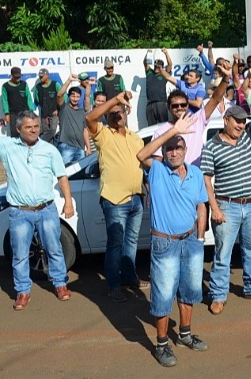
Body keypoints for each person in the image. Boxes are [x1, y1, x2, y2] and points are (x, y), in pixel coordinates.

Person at [136, 113, 209, 367]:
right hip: (165, 243)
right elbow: (141, 155)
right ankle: (161, 345)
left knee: (189, 290)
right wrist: (172, 131)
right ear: (164, 152)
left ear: (186, 150)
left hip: (191, 241)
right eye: (169, 149)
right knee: (163, 294)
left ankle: (185, 334)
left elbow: (201, 204)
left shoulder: (195, 173)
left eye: (178, 147)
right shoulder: (157, 171)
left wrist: (200, 236)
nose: (174, 152)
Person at [202, 99, 251, 315]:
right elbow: (206, 180)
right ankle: (218, 295)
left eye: (243, 122)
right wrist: (215, 208)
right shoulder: (211, 146)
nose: (241, 125)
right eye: (237, 121)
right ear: (226, 120)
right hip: (227, 206)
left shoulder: (247, 136)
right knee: (223, 253)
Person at [1, 111, 75, 310]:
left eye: (36, 126)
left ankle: (60, 284)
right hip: (20, 212)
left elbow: (62, 176)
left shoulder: (50, 150)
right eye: (28, 127)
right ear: (18, 129)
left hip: (46, 209)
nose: (33, 130)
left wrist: (68, 202)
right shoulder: (7, 147)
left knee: (54, 248)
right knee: (20, 254)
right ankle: (23, 291)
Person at [86, 91, 149, 302]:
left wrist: (146, 186)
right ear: (106, 116)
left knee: (131, 242)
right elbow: (89, 118)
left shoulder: (136, 138)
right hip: (114, 201)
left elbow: (140, 165)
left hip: (136, 198)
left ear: (126, 112)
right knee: (115, 245)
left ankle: (129, 278)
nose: (116, 115)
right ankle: (113, 286)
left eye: (119, 111)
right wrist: (115, 100)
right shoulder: (103, 134)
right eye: (111, 112)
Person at [55, 75, 91, 165]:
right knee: (65, 171)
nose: (75, 99)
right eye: (73, 96)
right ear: (68, 96)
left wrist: (88, 148)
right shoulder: (64, 108)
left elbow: (85, 130)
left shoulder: (82, 112)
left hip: (80, 148)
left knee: (80, 173)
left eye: (78, 97)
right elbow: (59, 95)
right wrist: (69, 80)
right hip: (66, 146)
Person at [144, 48, 173, 126]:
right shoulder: (149, 73)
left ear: (162, 67)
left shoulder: (164, 74)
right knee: (150, 127)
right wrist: (148, 54)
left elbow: (170, 64)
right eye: (156, 65)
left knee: (163, 126)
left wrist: (166, 53)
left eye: (159, 65)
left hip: (161, 103)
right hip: (150, 104)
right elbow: (145, 63)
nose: (157, 66)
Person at [3, 67, 34, 138]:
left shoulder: (24, 84)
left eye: (19, 76)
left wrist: (31, 110)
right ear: (11, 76)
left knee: (26, 130)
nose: (18, 78)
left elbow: (29, 97)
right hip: (13, 113)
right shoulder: (5, 86)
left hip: (25, 112)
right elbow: (4, 100)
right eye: (16, 77)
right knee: (14, 131)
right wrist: (6, 113)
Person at [33, 69, 61, 143]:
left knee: (53, 130)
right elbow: (37, 99)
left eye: (42, 76)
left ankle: (41, 143)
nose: (40, 77)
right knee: (45, 131)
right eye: (40, 76)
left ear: (47, 75)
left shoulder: (55, 84)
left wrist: (58, 109)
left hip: (54, 112)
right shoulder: (38, 87)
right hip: (44, 113)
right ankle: (48, 146)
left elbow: (62, 97)